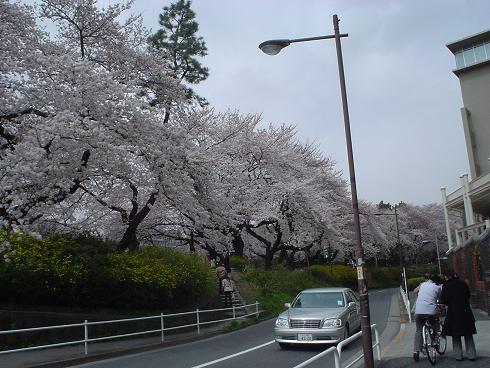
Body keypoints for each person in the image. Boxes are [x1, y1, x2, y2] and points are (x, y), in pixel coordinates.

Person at [440, 269, 477, 361]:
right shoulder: (462, 283)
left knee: (455, 335)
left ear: (446, 276)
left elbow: (444, 300)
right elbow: (468, 295)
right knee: (468, 334)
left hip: (453, 313)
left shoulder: (446, 285)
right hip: (466, 312)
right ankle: (471, 355)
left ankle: (458, 355)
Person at [413, 273, 441, 362]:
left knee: (418, 330)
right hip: (430, 312)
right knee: (435, 322)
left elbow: (414, 291)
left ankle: (416, 351)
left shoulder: (422, 285)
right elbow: (440, 298)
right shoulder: (438, 288)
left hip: (418, 311)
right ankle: (437, 335)